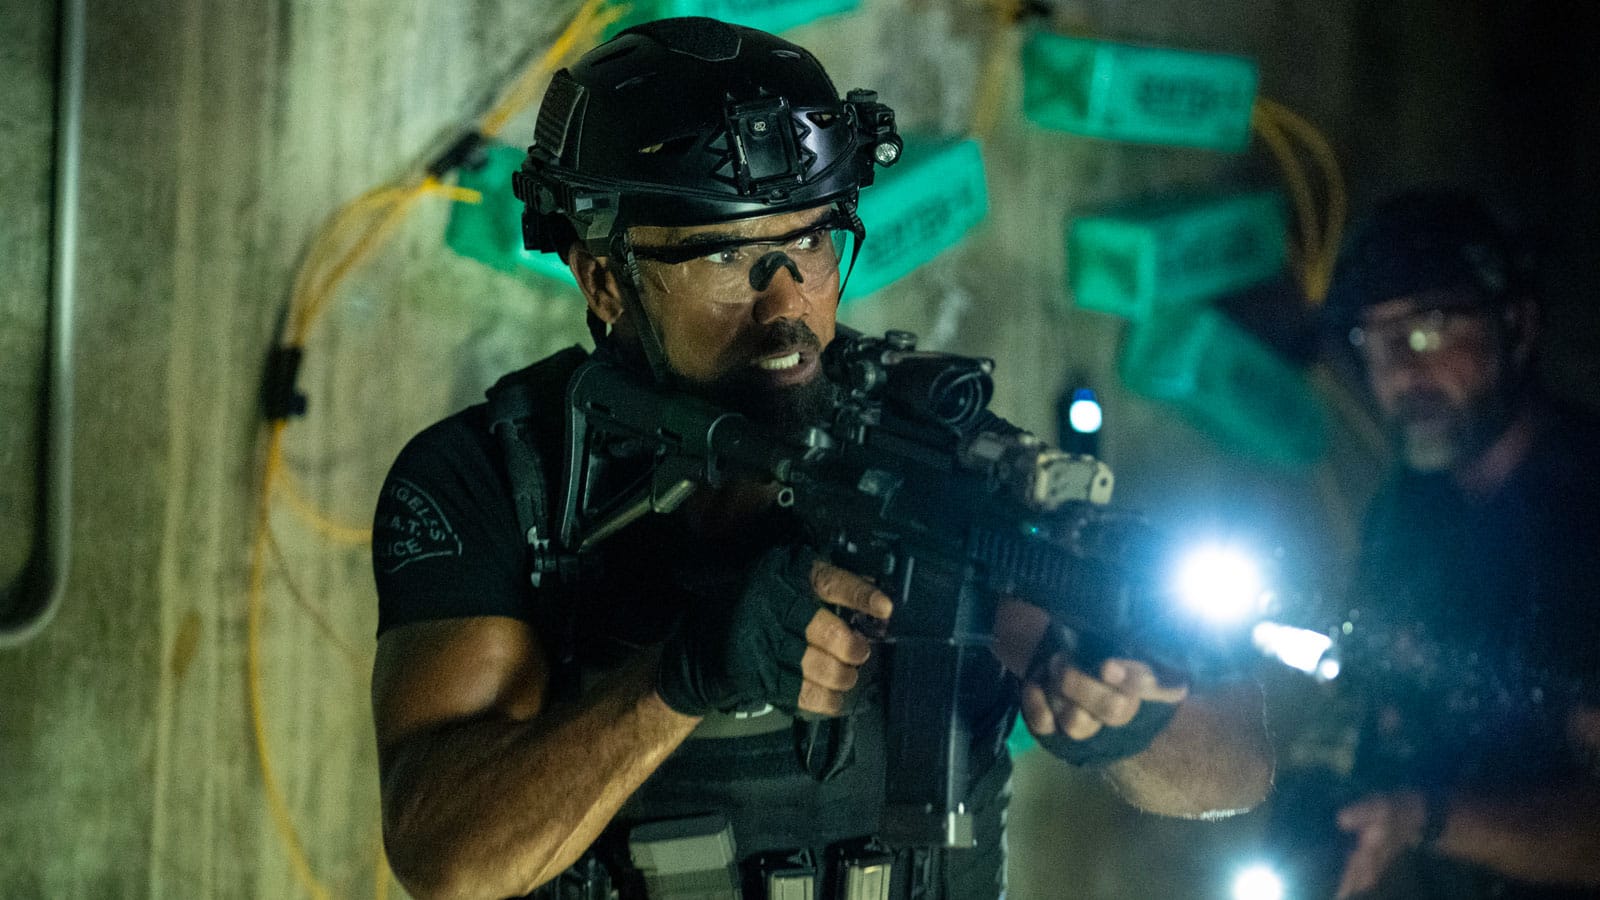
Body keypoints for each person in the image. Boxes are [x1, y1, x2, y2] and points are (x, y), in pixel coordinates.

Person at [368, 18, 1270, 900]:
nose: (787, 305)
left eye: (809, 240)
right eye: (729, 257)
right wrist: (679, 679)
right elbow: (449, 860)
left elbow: (1233, 772)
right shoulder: (504, 479)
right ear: (604, 280)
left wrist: (1128, 721)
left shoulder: (932, 454)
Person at [1318, 189, 1600, 898]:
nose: (1400, 373)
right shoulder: (1407, 513)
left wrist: (1424, 819)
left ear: (1517, 326)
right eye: (1374, 341)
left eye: (1431, 328)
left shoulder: (1584, 512)